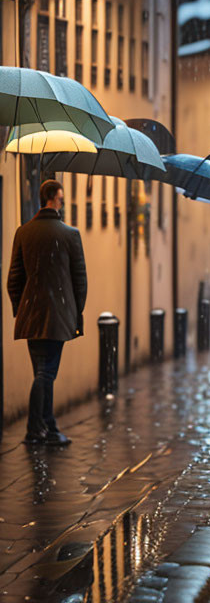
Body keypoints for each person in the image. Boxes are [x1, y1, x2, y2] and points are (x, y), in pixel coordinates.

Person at [7, 179, 87, 446]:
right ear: (53, 199)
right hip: (57, 315)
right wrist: (76, 312)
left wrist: (21, 308)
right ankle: (34, 429)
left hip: (31, 315)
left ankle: (49, 426)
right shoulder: (69, 235)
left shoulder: (23, 232)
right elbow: (80, 281)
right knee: (46, 373)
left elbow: (13, 279)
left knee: (41, 372)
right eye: (61, 199)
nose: (62, 204)